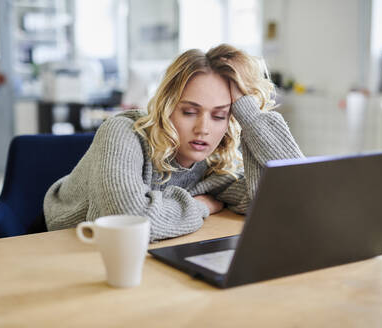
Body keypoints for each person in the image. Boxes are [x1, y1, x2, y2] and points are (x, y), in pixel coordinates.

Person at [43, 44, 304, 242]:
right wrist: (200, 206)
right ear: (167, 107)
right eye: (189, 112)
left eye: (219, 115)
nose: (203, 129)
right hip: (64, 241)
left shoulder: (212, 163)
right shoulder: (122, 131)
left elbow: (287, 199)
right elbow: (128, 221)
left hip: (145, 250)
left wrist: (251, 117)